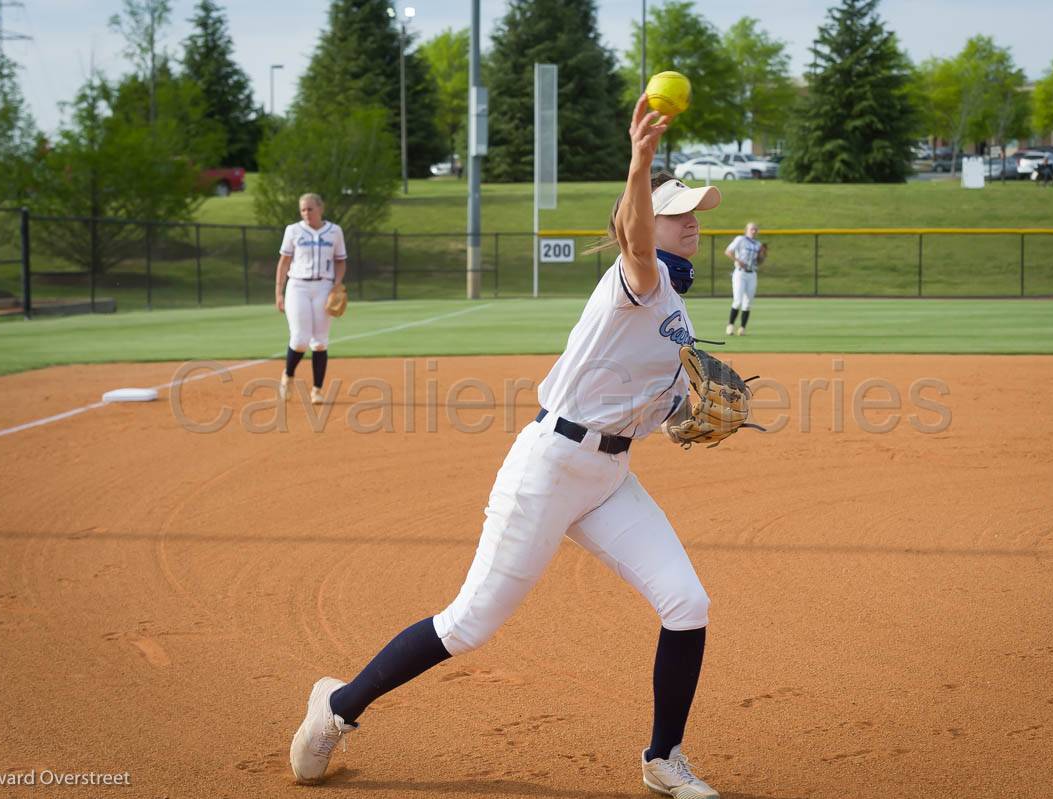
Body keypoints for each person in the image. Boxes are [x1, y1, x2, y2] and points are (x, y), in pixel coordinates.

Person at [288, 94, 725, 799]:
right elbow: (639, 241)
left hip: (609, 475)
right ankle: (338, 707)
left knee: (687, 602)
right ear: (644, 219)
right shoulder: (636, 282)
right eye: (681, 211)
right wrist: (640, 162)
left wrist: (686, 419)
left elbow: (658, 415)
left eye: (698, 212)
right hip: (549, 468)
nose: (695, 223)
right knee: (468, 623)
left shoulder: (676, 314)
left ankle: (662, 756)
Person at [274, 194, 347, 405]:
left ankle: (317, 390)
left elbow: (340, 261)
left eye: (310, 209)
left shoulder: (334, 231)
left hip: (324, 286)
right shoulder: (293, 231)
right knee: (299, 339)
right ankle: (288, 375)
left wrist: (337, 284)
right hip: (298, 286)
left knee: (320, 341)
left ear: (320, 208)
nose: (306, 213)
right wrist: (279, 292)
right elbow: (284, 263)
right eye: (303, 210)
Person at [723, 222, 766, 336]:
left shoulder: (758, 244)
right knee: (737, 301)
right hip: (740, 274)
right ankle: (730, 326)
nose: (754, 231)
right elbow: (728, 251)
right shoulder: (740, 239)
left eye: (755, 229)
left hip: (752, 274)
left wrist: (762, 254)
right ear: (746, 230)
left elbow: (759, 262)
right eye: (752, 229)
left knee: (747, 303)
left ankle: (742, 328)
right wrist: (737, 260)